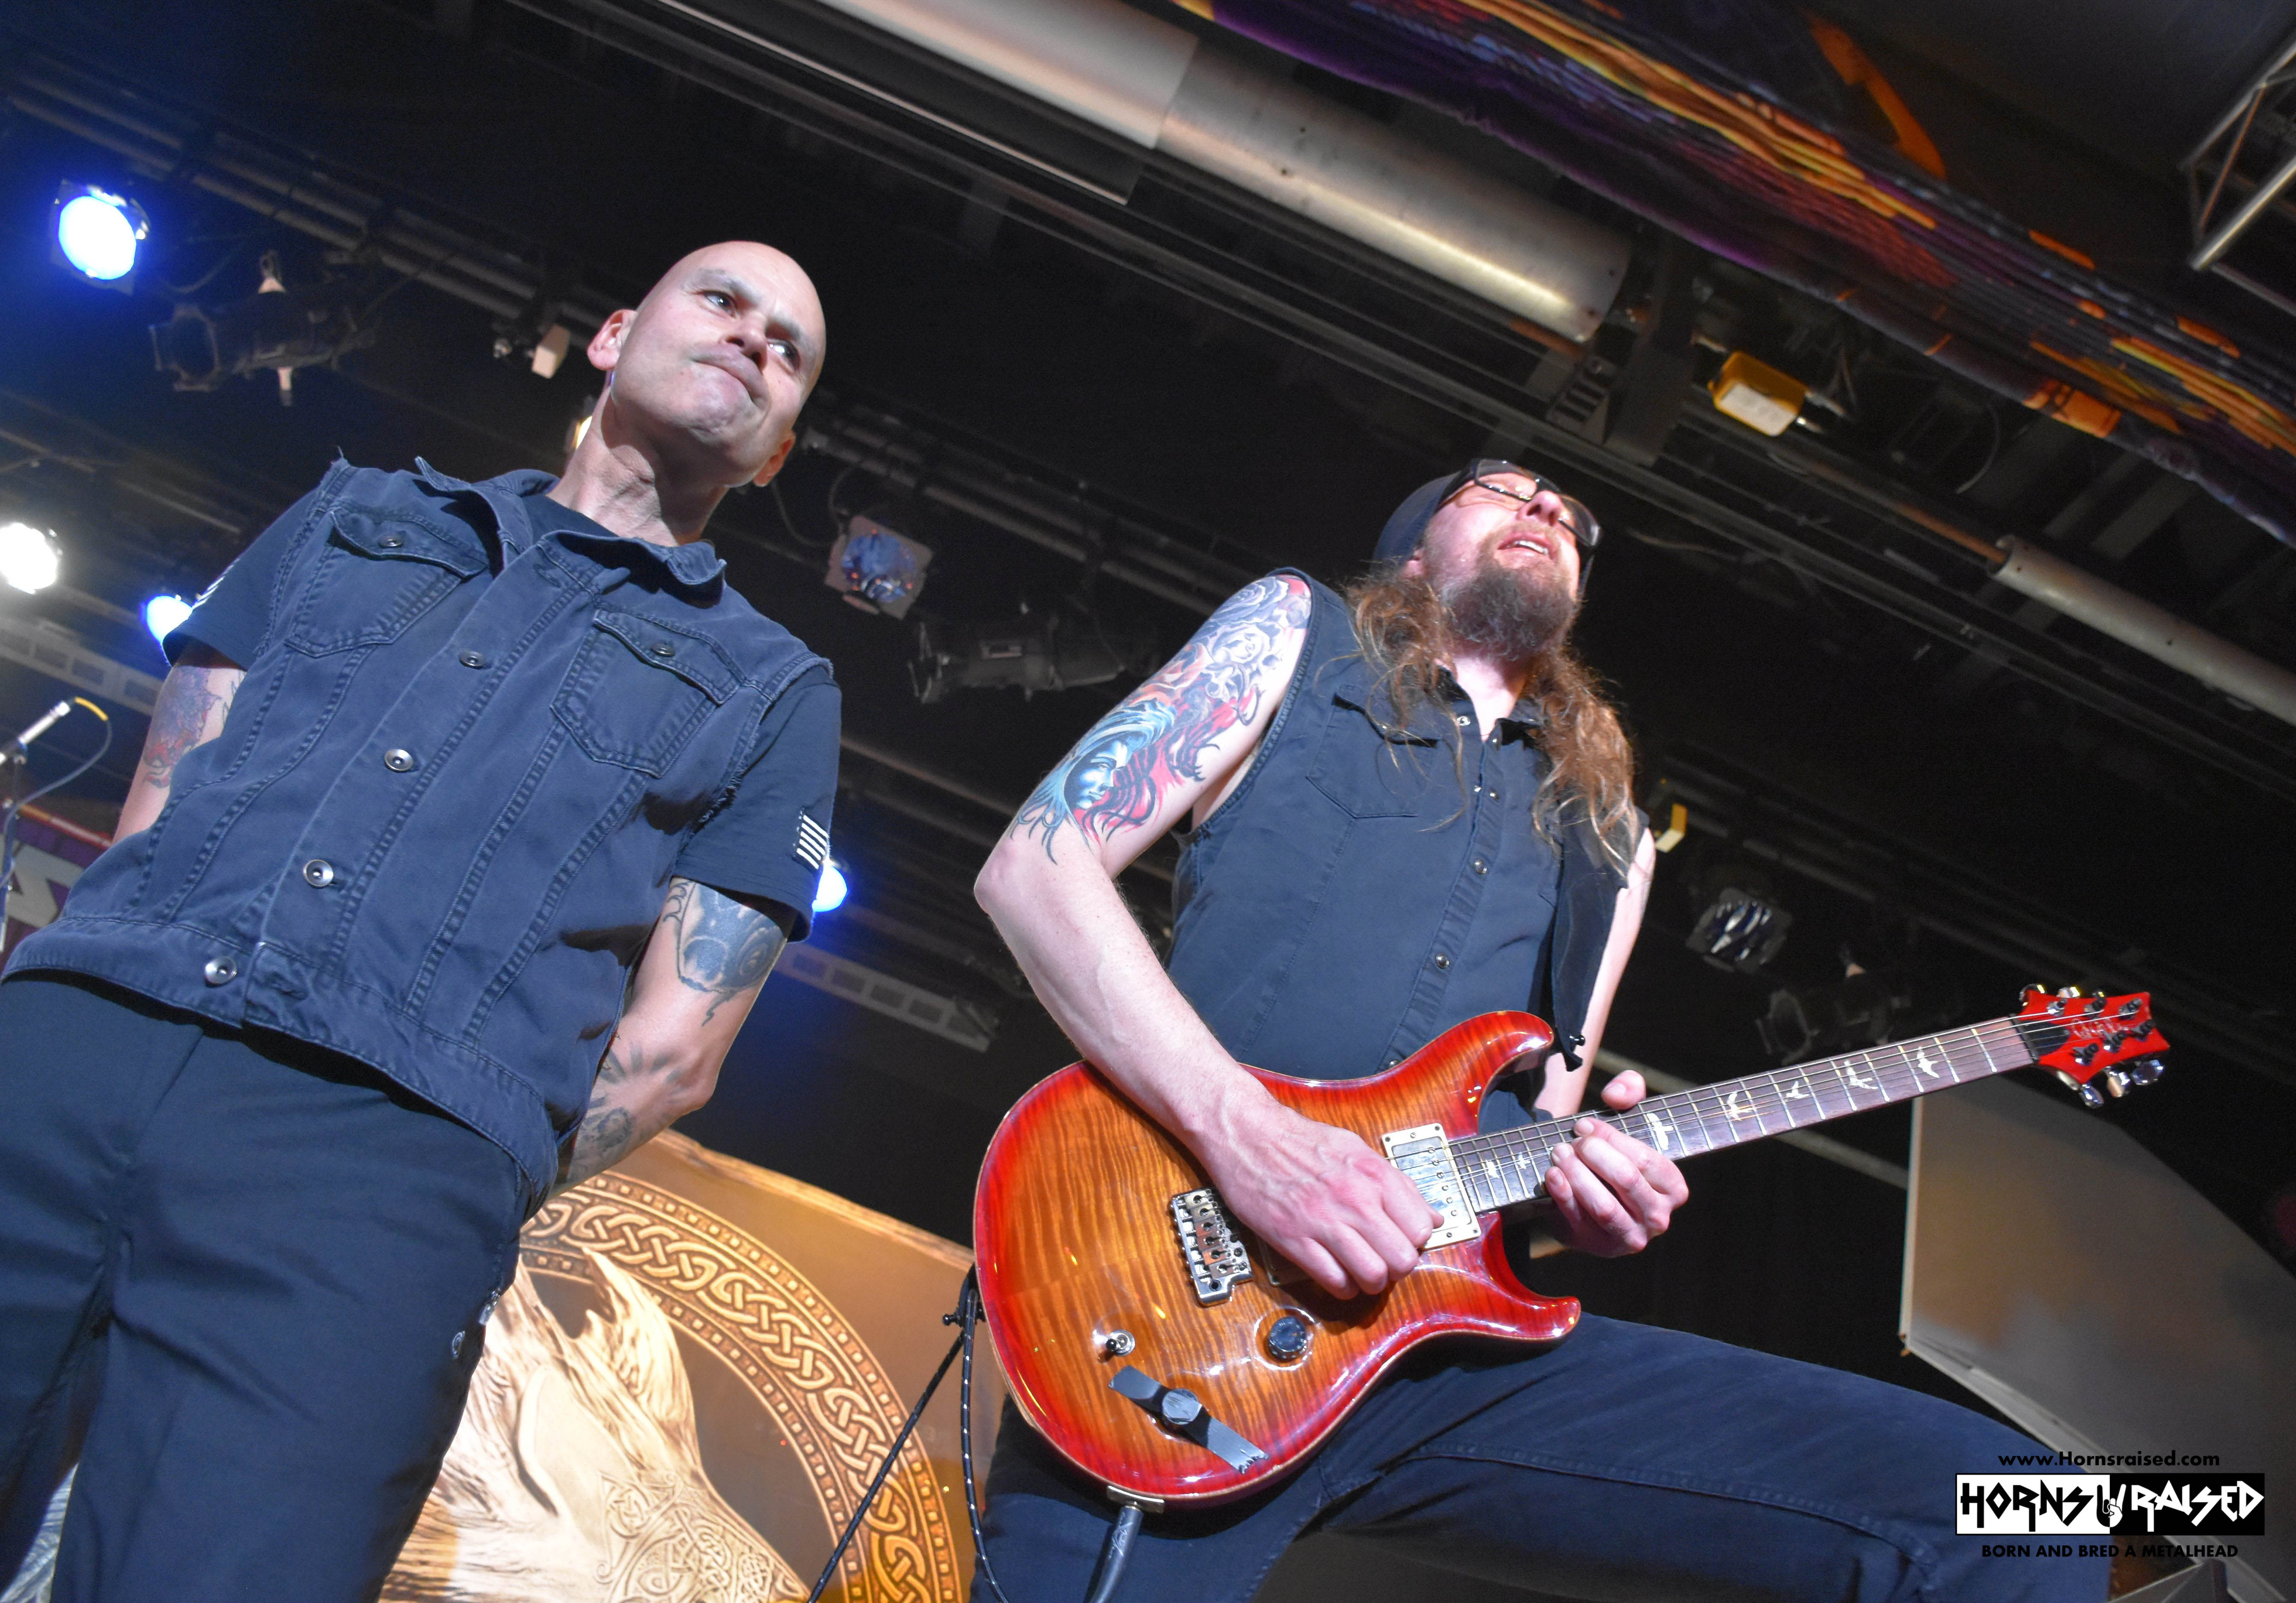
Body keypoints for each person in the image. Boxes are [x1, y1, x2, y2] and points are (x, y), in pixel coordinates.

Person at [971, 461, 2104, 1601]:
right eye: (1502, 490)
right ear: (1416, 547)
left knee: (2037, 1510)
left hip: (1433, 1356)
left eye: (1568, 514)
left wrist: (1585, 1205)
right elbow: (1034, 871)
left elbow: (1529, 1145)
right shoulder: (1296, 635)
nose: (1549, 508)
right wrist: (1254, 1142)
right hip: (1168, 1305)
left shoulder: (1612, 839)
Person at [0, 241, 840, 1600]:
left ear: (779, 452)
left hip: (374, 1175)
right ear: (613, 334)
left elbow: (676, 1053)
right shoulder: (358, 512)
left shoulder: (775, 689)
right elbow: (161, 792)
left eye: (788, 349)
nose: (754, 339)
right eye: (723, 301)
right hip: (76, 1053)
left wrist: (447, 1167)